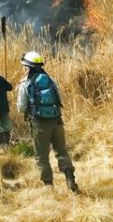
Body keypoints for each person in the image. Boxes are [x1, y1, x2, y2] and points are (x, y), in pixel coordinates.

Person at [17, 51, 79, 193]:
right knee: (62, 151)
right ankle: (70, 181)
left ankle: (48, 188)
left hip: (39, 124)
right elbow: (59, 98)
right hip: (57, 121)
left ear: (28, 67)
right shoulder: (51, 80)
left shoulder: (25, 83)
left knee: (42, 157)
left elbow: (21, 107)